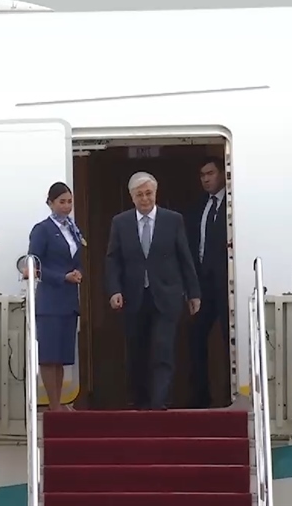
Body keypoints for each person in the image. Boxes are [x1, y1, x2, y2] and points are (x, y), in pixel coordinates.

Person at [105, 171, 202, 410]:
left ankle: (159, 402)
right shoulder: (121, 222)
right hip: (134, 296)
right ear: (132, 197)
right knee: (137, 350)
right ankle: (140, 401)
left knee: (163, 348)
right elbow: (113, 259)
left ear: (156, 193)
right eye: (140, 195)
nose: (145, 199)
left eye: (149, 193)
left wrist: (194, 292)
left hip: (167, 295)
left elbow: (184, 257)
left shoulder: (173, 220)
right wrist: (114, 290)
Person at [26, 182, 85, 412]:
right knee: (49, 356)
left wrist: (78, 272)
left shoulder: (72, 229)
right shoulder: (42, 229)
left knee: (61, 357)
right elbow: (33, 265)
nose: (66, 206)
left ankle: (58, 402)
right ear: (50, 203)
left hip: (68, 301)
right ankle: (53, 405)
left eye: (69, 202)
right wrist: (62, 277)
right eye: (62, 202)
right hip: (50, 301)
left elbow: (75, 258)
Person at [186, 156, 231, 409]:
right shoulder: (200, 206)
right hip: (203, 285)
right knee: (196, 337)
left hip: (226, 284)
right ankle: (200, 396)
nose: (206, 179)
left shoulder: (233, 204)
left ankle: (229, 394)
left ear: (223, 174)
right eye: (202, 175)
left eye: (210, 173)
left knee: (228, 338)